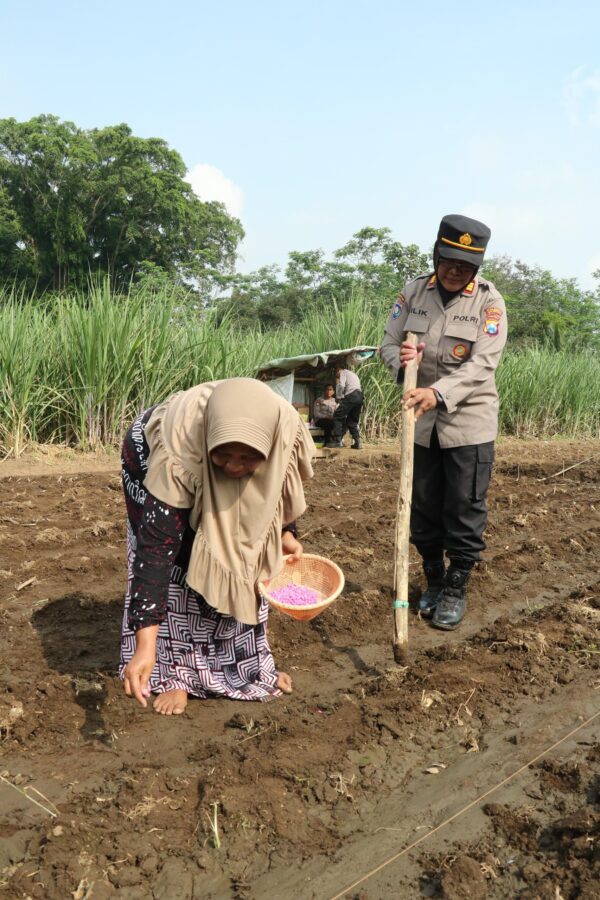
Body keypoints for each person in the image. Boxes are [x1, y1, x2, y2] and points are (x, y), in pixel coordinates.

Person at [120, 378, 315, 715]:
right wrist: (145, 645)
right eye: (224, 456)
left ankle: (248, 666)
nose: (235, 467)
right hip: (152, 456)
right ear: (211, 445)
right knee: (182, 558)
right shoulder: (177, 452)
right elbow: (155, 552)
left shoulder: (283, 432)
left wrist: (284, 532)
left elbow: (276, 491)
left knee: (250, 552)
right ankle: (174, 674)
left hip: (230, 447)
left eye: (248, 459)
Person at [380, 214, 507, 630]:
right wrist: (399, 363)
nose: (454, 271)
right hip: (419, 423)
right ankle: (432, 579)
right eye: (448, 261)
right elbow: (388, 342)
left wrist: (438, 393)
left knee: (464, 508)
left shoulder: (489, 302)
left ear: (477, 268)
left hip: (467, 422)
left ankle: (455, 588)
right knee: (423, 507)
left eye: (465, 266)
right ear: (436, 255)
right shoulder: (414, 292)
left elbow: (484, 363)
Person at [325, 365, 364, 449]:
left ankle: (338, 441)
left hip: (352, 396)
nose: (336, 375)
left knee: (337, 416)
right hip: (360, 396)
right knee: (352, 421)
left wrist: (338, 398)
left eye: (336, 373)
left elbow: (341, 386)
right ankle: (357, 443)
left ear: (338, 369)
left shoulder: (343, 372)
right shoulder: (353, 374)